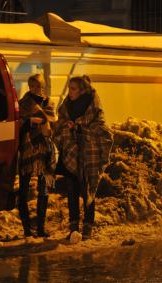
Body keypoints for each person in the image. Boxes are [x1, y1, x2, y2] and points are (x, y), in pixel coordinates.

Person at [53, 75, 113, 241]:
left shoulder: (93, 106)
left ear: (82, 90)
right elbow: (60, 124)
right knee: (71, 191)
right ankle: (73, 229)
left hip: (88, 155)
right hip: (71, 153)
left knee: (88, 191)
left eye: (73, 89)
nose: (69, 92)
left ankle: (88, 227)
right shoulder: (66, 106)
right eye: (69, 88)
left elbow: (101, 128)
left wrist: (80, 125)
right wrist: (67, 125)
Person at [18, 74, 57, 237]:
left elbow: (52, 119)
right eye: (32, 85)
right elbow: (18, 121)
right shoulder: (23, 103)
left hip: (44, 147)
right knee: (23, 189)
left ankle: (41, 227)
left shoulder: (49, 103)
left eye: (38, 85)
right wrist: (29, 121)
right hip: (27, 147)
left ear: (43, 85)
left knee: (44, 189)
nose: (35, 88)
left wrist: (39, 120)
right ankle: (26, 228)